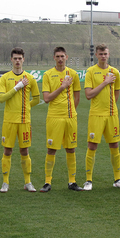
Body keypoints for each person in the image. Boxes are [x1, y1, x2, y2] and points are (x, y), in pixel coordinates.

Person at [83, 43, 120, 191]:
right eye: (100, 54)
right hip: (96, 115)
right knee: (92, 146)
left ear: (109, 54)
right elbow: (88, 95)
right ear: (96, 55)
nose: (103, 56)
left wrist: (110, 108)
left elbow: (116, 94)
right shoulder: (91, 71)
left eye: (105, 54)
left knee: (114, 145)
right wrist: (105, 83)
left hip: (111, 115)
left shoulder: (114, 71)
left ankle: (117, 179)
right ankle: (88, 180)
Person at [40, 47, 83, 192]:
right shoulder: (47, 75)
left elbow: (77, 97)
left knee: (71, 148)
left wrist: (71, 112)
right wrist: (62, 87)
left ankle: (72, 181)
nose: (60, 59)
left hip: (70, 117)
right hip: (54, 118)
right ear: (54, 58)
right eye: (57, 56)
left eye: (62, 56)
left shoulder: (73, 74)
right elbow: (46, 99)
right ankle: (47, 182)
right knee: (51, 149)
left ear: (67, 57)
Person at [0, 47, 40, 193]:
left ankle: (28, 182)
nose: (17, 61)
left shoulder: (30, 78)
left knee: (24, 150)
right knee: (7, 150)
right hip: (9, 121)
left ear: (23, 59)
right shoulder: (5, 78)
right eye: (15, 58)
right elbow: (1, 98)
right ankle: (5, 182)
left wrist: (26, 108)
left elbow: (36, 99)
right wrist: (17, 87)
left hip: (24, 120)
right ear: (11, 59)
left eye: (19, 58)